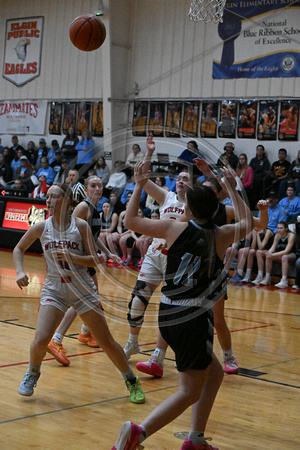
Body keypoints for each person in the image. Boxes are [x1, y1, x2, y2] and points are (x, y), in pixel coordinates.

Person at [112, 160, 257, 450]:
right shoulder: (220, 235)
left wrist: (140, 184)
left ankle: (195, 439)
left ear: (188, 210)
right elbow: (249, 221)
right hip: (192, 315)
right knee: (189, 391)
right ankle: (138, 434)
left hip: (168, 310)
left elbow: (129, 222)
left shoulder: (173, 228)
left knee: (214, 374)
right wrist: (231, 185)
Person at [14, 182, 145, 404]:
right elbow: (18, 249)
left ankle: (131, 380)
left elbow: (95, 259)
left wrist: (72, 257)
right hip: (54, 288)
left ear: (66, 202)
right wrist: (19, 271)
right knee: (40, 339)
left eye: (54, 196)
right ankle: (33, 372)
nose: (48, 200)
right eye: (47, 196)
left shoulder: (80, 226)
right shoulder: (41, 227)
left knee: (106, 341)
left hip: (82, 288)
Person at [47, 176, 121, 362]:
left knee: (91, 296)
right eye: (93, 185)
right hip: (78, 260)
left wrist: (108, 252)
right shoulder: (83, 207)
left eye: (99, 185)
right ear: (86, 189)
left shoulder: (95, 210)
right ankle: (57, 338)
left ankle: (85, 333)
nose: (97, 188)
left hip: (87, 259)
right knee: (84, 298)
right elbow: (68, 230)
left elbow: (90, 236)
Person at [255, 221, 296, 288]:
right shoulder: (277, 235)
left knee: (284, 257)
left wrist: (273, 255)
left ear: (286, 229)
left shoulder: (291, 235)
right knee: (266, 254)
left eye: (281, 228)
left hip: (292, 255)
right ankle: (267, 278)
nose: (279, 230)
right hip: (280, 255)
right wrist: (269, 253)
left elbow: (286, 251)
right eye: (278, 228)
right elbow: (273, 248)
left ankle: (284, 281)